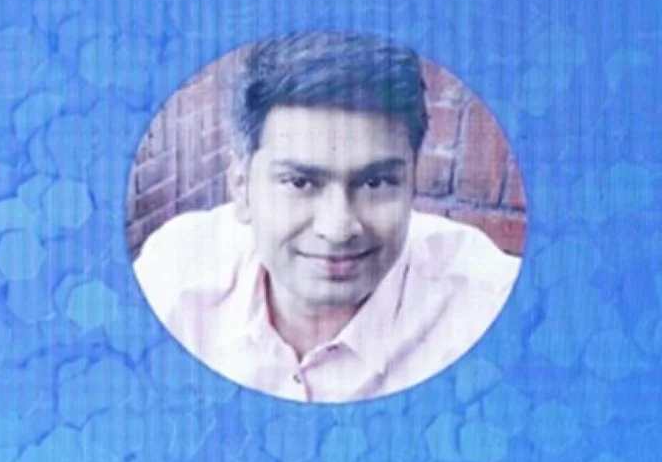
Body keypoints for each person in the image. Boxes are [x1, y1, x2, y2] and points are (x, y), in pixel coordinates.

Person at [132, 30, 521, 402]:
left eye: (376, 182)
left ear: (411, 183)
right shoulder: (174, 283)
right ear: (241, 187)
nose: (338, 229)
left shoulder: (489, 308)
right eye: (300, 182)